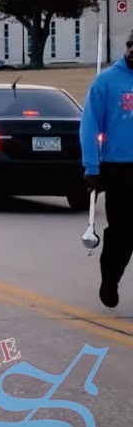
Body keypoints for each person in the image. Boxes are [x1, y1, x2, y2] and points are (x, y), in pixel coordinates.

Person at [80, 28, 133, 308]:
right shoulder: (107, 82)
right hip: (119, 169)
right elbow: (90, 126)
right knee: (123, 233)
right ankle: (110, 279)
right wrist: (91, 165)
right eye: (131, 44)